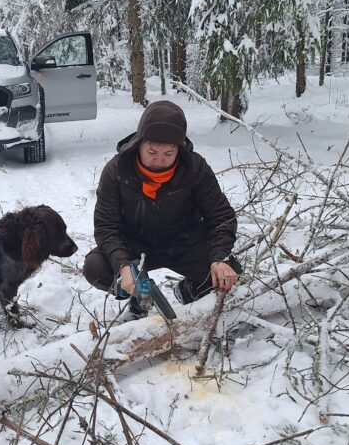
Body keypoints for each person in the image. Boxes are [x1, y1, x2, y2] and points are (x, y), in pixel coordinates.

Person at [83, 100, 242, 318]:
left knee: (229, 273)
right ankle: (140, 299)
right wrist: (123, 265)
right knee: (96, 268)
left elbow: (221, 217)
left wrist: (219, 259)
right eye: (152, 152)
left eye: (168, 153)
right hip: (134, 246)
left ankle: (189, 292)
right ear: (139, 143)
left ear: (179, 148)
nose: (159, 161)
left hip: (183, 243)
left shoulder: (195, 168)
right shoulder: (116, 170)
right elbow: (106, 227)